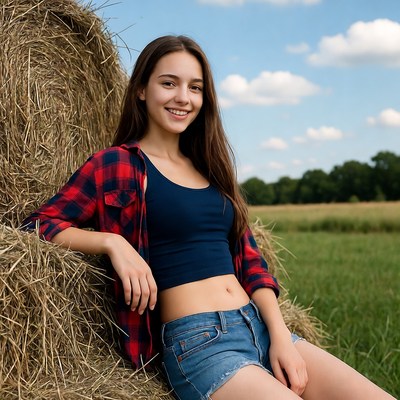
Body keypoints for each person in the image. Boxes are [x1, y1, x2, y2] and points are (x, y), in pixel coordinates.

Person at [22, 35, 395, 400]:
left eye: (195, 87)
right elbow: (38, 225)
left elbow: (251, 263)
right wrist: (111, 241)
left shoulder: (213, 170)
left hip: (260, 326)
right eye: (169, 83)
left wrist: (281, 335)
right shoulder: (115, 164)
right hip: (200, 344)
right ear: (141, 89)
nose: (183, 97)